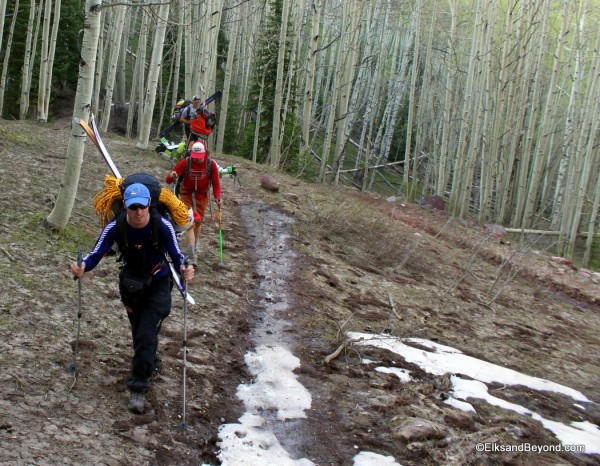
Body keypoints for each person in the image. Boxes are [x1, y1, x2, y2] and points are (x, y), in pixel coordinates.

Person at [70, 183, 195, 414]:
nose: (138, 212)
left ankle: (139, 386)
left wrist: (187, 269)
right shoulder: (115, 227)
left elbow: (178, 256)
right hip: (131, 285)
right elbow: (96, 253)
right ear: (126, 207)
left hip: (159, 283)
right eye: (133, 207)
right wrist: (82, 266)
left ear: (150, 204)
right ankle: (150, 360)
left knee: (146, 334)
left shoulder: (163, 225)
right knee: (139, 332)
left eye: (143, 206)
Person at [165, 141, 221, 265]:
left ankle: (195, 247)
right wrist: (173, 175)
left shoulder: (210, 164)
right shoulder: (186, 162)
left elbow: (216, 183)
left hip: (202, 197)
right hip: (187, 195)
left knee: (198, 222)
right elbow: (168, 180)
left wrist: (218, 197)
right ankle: (192, 254)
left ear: (205, 153)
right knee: (189, 222)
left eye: (200, 158)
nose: (197, 160)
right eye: (195, 157)